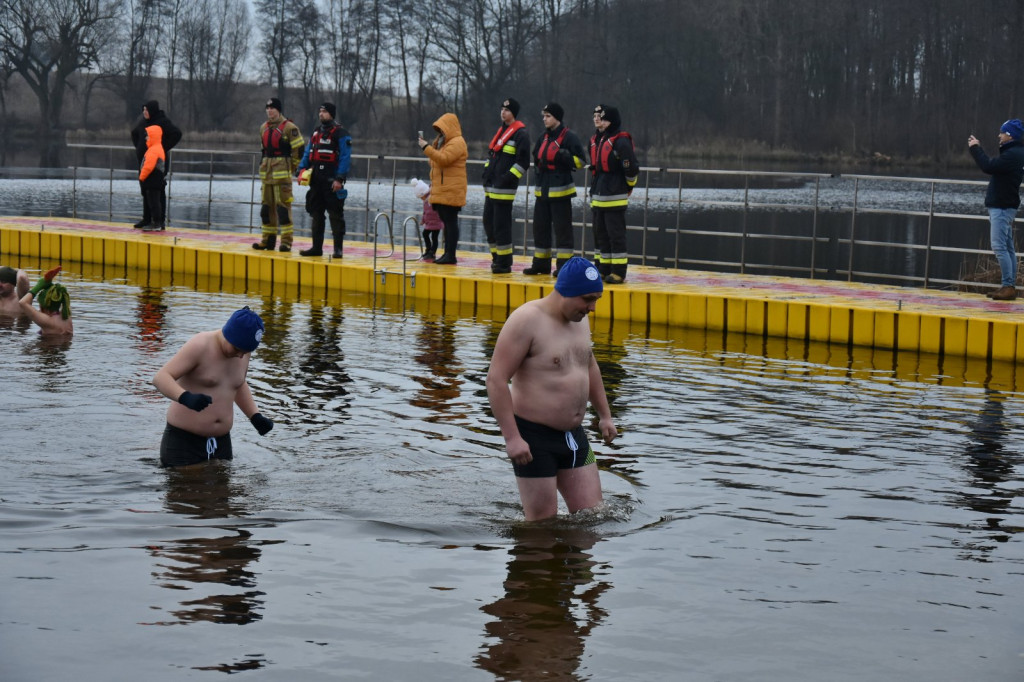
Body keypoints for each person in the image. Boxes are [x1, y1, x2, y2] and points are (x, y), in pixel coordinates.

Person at [485, 256, 618, 521]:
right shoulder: (527, 320)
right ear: (565, 292)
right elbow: (496, 379)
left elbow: (589, 366)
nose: (592, 308)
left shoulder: (580, 319)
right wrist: (512, 438)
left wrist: (604, 415)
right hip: (534, 439)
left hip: (574, 437)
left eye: (596, 300)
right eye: (587, 299)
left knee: (593, 518)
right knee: (542, 530)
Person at [152, 306, 274, 468]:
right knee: (185, 490)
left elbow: (237, 383)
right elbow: (160, 377)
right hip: (183, 443)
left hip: (221, 443)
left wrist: (255, 416)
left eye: (245, 352)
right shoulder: (200, 345)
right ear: (228, 335)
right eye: (237, 349)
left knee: (223, 492)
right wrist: (185, 397)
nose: (240, 356)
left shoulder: (243, 351)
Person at [526, 102, 587, 277]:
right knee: (540, 229)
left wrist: (565, 158)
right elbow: (536, 155)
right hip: (542, 192)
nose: (544, 119)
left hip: (561, 192)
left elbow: (582, 162)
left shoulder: (569, 137)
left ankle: (564, 267)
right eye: (543, 116)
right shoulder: (542, 137)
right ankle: (540, 265)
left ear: (557, 118)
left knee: (563, 232)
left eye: (548, 116)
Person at [968, 118, 1024, 301]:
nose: (999, 135)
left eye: (1002, 132)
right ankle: (1008, 286)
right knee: (1007, 248)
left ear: (1009, 135)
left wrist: (976, 148)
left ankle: (1008, 287)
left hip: (1002, 206)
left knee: (1000, 247)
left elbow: (988, 166)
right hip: (1005, 205)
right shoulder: (1016, 152)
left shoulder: (1013, 154)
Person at [589, 104, 638, 284]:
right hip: (599, 196)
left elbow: (631, 168)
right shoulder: (599, 139)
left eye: (603, 118)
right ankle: (603, 268)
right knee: (600, 235)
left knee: (615, 235)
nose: (599, 120)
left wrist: (628, 186)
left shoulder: (620, 141)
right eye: (597, 117)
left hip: (614, 196)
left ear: (612, 121)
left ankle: (618, 271)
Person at [482, 98, 531, 274]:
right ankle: (496, 258)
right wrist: (486, 175)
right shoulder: (501, 132)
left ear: (514, 113)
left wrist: (507, 178)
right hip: (492, 188)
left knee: (501, 226)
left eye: (507, 110)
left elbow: (523, 163)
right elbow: (492, 157)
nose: (503, 112)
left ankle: (504, 263)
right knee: (489, 223)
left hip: (504, 190)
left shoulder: (521, 134)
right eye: (502, 109)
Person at [297, 102, 352, 258]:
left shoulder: (341, 133)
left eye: (324, 111)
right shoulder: (316, 133)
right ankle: (316, 248)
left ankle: (338, 249)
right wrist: (301, 170)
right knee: (316, 213)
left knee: (335, 215)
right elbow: (308, 153)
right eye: (320, 111)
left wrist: (339, 179)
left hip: (332, 180)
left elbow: (345, 157)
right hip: (316, 180)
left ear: (331, 114)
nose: (321, 114)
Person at [254, 98, 305, 252]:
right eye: (267, 108)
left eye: (272, 108)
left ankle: (286, 242)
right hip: (267, 175)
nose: (269, 110)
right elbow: (263, 150)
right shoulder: (263, 127)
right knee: (266, 209)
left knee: (283, 209)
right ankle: (267, 240)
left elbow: (299, 149)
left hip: (282, 176)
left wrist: (292, 166)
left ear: (279, 110)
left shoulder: (290, 128)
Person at [418, 112, 468, 265]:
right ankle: (447, 253)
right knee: (446, 221)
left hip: (451, 190)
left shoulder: (457, 142)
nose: (440, 132)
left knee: (451, 222)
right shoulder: (443, 142)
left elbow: (444, 159)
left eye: (442, 129)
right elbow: (435, 162)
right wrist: (432, 149)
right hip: (443, 189)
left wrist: (426, 147)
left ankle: (450, 254)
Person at [130, 100, 182, 230]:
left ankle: (159, 221)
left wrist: (162, 147)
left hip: (158, 161)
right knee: (145, 189)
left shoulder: (162, 121)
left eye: (146, 110)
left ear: (152, 111)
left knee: (157, 190)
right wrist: (139, 148)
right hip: (145, 161)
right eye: (143, 110)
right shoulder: (143, 122)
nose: (144, 112)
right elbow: (134, 133)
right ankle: (147, 218)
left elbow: (177, 134)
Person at [19, 266, 73, 336]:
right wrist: (51, 287)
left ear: (42, 306)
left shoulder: (47, 321)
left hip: (48, 346)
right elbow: (60, 294)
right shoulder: (67, 317)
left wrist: (39, 286)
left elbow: (22, 302)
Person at [138, 124, 166, 232]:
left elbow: (148, 166)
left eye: (148, 136)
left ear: (153, 137)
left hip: (152, 180)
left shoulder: (153, 150)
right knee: (155, 202)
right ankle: (157, 222)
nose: (146, 138)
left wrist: (141, 177)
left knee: (153, 202)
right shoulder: (157, 148)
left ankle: (156, 223)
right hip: (156, 180)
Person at [412, 178, 443, 262]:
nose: (421, 199)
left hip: (436, 222)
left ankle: (432, 252)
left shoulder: (433, 198)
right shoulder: (425, 201)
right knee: (425, 234)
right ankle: (428, 249)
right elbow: (425, 212)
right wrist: (423, 220)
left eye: (421, 197)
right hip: (429, 223)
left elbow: (438, 209)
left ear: (424, 194)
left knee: (434, 237)